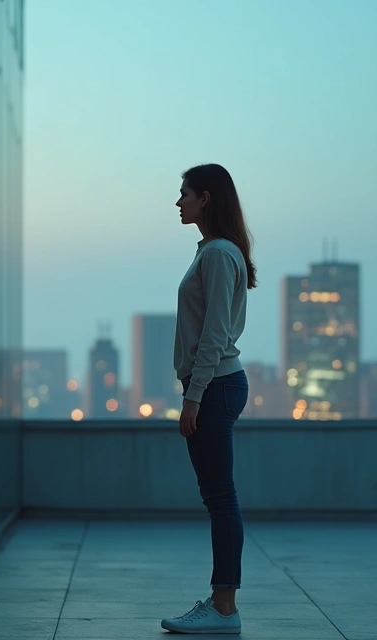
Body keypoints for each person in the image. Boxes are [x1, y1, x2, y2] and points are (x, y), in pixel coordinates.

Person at [161, 164, 257, 635]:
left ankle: (224, 610)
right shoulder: (215, 252)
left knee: (221, 498)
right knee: (219, 497)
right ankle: (222, 605)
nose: (178, 203)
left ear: (206, 198)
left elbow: (215, 332)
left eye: (184, 195)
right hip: (216, 384)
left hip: (216, 386)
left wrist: (194, 397)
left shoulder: (218, 254)